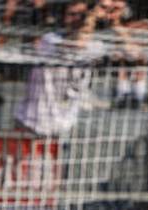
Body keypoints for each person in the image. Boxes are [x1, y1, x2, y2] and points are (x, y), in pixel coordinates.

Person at [14, 0, 106, 137]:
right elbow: (71, 47)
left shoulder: (96, 45)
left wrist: (90, 21)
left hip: (64, 125)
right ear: (64, 17)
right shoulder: (50, 39)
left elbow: (83, 45)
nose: (76, 19)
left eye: (81, 15)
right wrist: (88, 19)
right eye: (72, 14)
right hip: (31, 122)